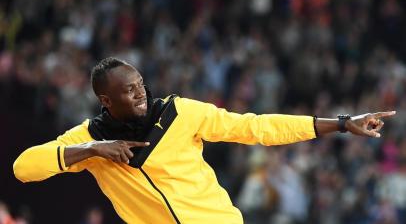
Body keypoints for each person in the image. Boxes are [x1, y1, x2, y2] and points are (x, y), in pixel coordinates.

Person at [13, 57, 396, 224]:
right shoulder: (90, 138)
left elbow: (258, 127)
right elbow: (22, 169)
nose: (141, 93)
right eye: (129, 91)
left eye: (140, 84)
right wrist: (90, 150)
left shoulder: (180, 113)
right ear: (105, 101)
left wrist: (342, 123)